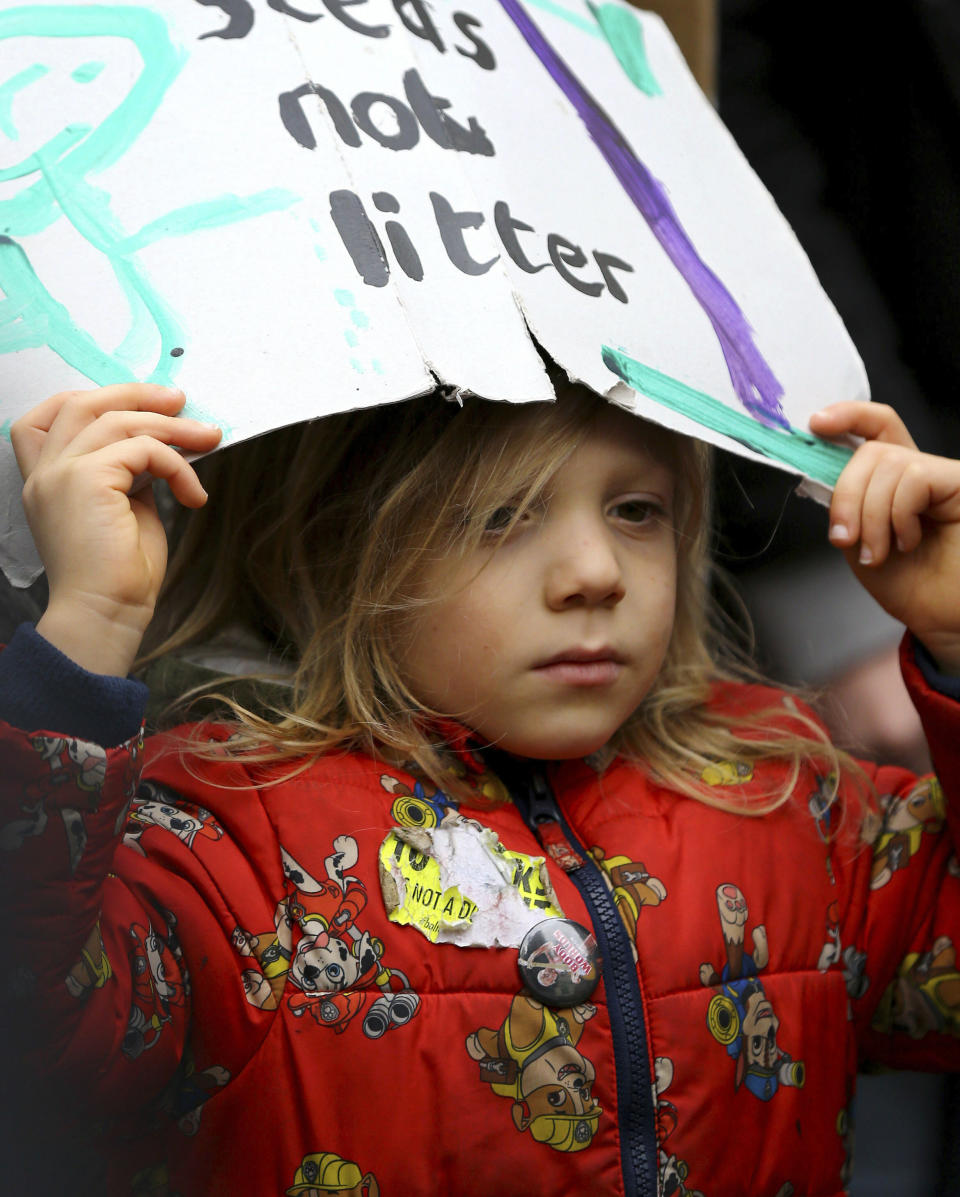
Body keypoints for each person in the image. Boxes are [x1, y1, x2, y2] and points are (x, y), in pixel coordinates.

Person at [2, 379, 960, 1197]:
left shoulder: (790, 798)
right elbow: (38, 1046)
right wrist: (89, 626)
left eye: (637, 508)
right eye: (501, 513)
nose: (595, 572)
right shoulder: (225, 838)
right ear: (334, 540)